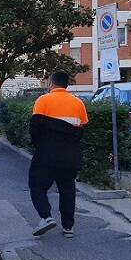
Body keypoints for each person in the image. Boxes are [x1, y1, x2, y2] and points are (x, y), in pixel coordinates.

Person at [28, 71, 88, 239]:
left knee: (37, 186)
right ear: (66, 84)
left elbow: (35, 127)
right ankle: (68, 227)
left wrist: (39, 146)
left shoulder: (43, 100)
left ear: (51, 84)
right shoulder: (79, 103)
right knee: (67, 190)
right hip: (70, 156)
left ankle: (46, 217)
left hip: (46, 155)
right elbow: (82, 127)